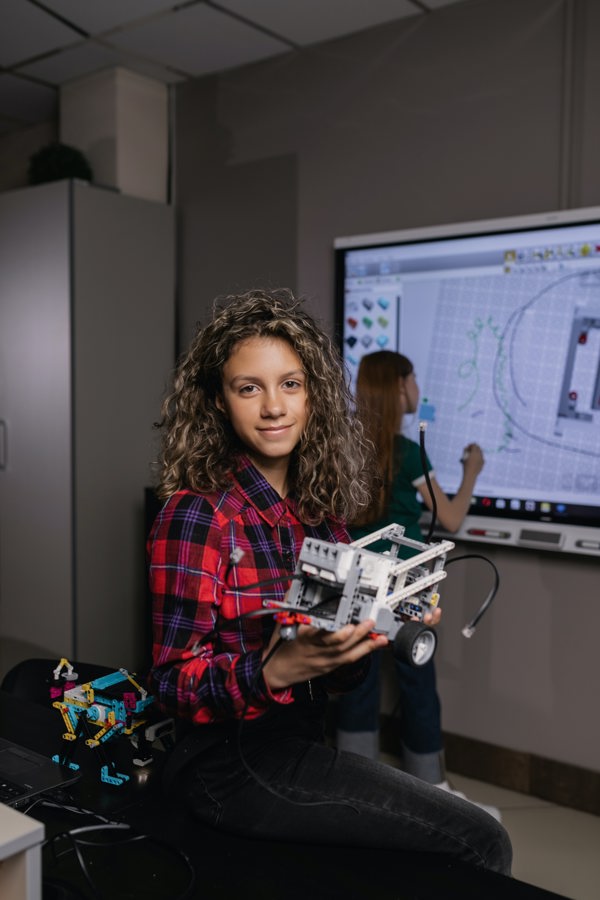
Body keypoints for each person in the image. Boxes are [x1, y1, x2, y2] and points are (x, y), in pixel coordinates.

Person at [147, 289, 511, 874]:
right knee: (482, 842)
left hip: (297, 744)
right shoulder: (198, 514)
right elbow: (171, 682)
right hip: (228, 764)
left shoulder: (321, 515)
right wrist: (273, 673)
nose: (274, 407)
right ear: (218, 401)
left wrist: (373, 633)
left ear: (313, 394)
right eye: (249, 388)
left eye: (291, 384)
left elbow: (342, 677)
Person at [336, 350, 494, 811]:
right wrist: (471, 473)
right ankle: (432, 786)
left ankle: (353, 781)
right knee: (417, 677)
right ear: (399, 387)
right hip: (406, 580)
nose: (418, 388)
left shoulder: (343, 447)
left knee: (355, 674)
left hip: (355, 575)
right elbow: (451, 517)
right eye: (414, 379)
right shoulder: (407, 454)